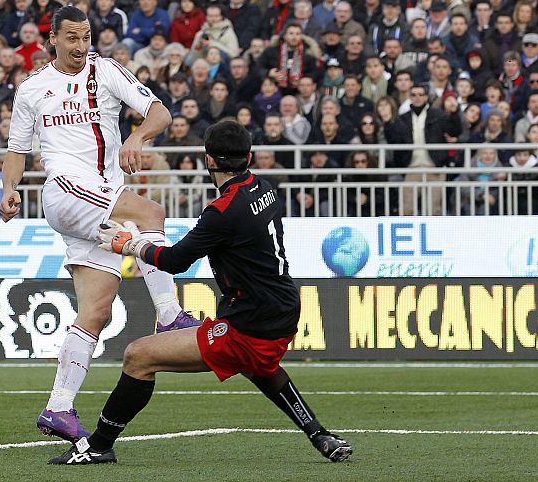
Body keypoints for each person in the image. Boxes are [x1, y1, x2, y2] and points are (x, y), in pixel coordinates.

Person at [48, 120, 352, 465]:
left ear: (208, 160)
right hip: (283, 309)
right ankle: (319, 434)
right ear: (249, 157)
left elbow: (174, 260)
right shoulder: (264, 187)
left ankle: (98, 446)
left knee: (138, 356)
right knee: (258, 364)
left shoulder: (222, 212)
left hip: (250, 323)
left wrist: (129, 244)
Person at [0, 6, 196, 444]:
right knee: (150, 214)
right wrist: (10, 188)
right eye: (71, 37)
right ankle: (168, 315)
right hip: (66, 189)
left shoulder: (105, 71)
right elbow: (16, 150)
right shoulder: (31, 88)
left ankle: (58, 407)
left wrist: (137, 135)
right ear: (52, 39)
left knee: (96, 311)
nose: (80, 45)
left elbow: (160, 112)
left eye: (86, 36)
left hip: (98, 201)